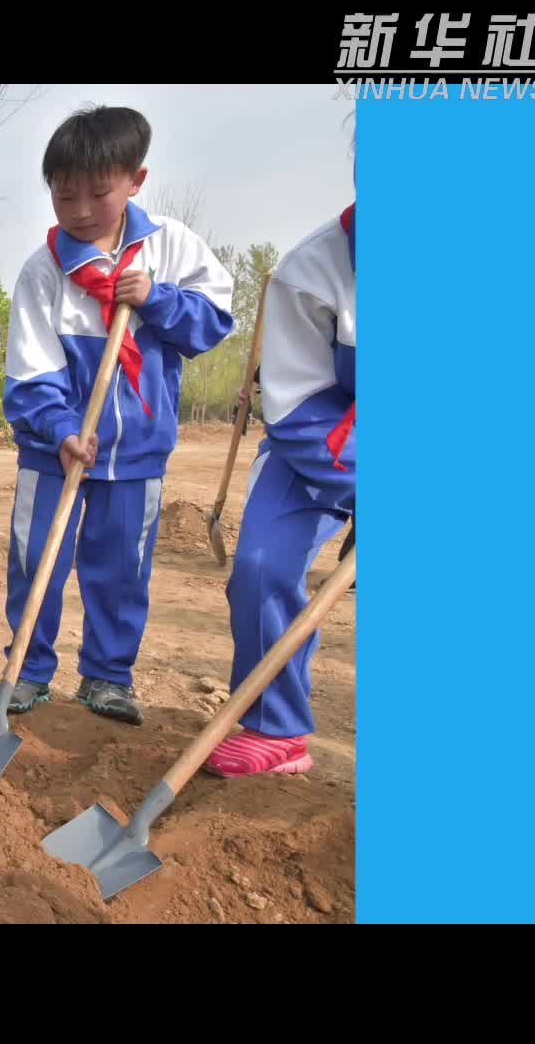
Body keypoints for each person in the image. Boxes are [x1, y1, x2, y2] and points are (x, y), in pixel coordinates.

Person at [0, 104, 235, 726]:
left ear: (136, 180)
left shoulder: (172, 247)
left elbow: (214, 321)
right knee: (35, 564)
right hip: (54, 452)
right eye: (63, 193)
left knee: (121, 570)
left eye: (97, 192)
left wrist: (157, 299)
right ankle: (26, 669)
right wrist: (60, 432)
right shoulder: (44, 271)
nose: (79, 209)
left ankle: (107, 677)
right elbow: (30, 372)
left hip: (136, 454)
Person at [207, 200, 355, 777]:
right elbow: (296, 406)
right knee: (261, 567)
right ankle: (276, 727)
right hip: (320, 435)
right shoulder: (313, 271)